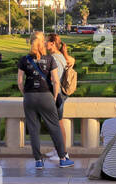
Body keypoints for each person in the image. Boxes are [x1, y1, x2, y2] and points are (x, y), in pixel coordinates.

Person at [17, 32, 74, 169]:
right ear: (42, 42)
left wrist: (26, 93)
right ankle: (62, 158)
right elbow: (55, 81)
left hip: (30, 97)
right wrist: (54, 96)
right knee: (54, 128)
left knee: (33, 129)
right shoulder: (49, 59)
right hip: (46, 96)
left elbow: (19, 82)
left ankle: (38, 161)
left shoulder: (24, 59)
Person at [46, 31, 76, 119]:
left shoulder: (53, 58)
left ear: (53, 43)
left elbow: (55, 79)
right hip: (61, 95)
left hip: (57, 95)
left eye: (46, 41)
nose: (44, 43)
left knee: (57, 126)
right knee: (58, 125)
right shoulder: (61, 56)